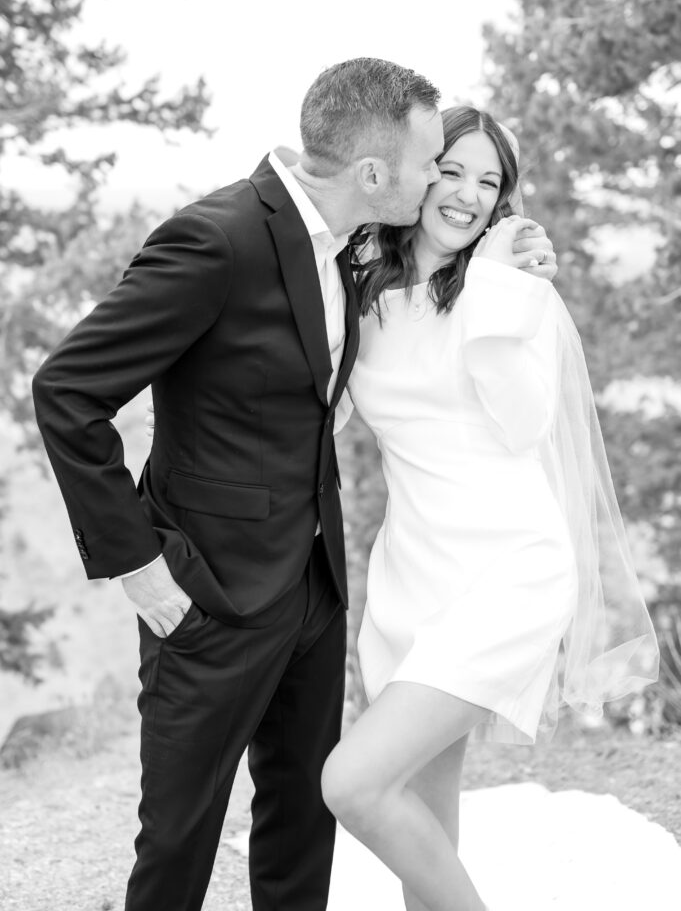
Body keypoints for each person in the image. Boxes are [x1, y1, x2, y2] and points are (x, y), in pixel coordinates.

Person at [30, 57, 553, 911]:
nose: (436, 181)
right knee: (180, 835)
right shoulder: (216, 239)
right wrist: (139, 569)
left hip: (315, 590)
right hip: (206, 592)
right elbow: (67, 391)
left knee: (300, 825)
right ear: (374, 173)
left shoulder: (354, 253)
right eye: (431, 163)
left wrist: (506, 260)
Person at [320, 106, 659, 911]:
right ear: (416, 172)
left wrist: (495, 295)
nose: (468, 195)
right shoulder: (360, 290)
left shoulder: (514, 294)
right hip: (409, 580)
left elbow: (523, 423)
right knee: (421, 824)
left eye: (489, 181)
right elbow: (323, 409)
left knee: (352, 784)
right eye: (452, 170)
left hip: (508, 571)